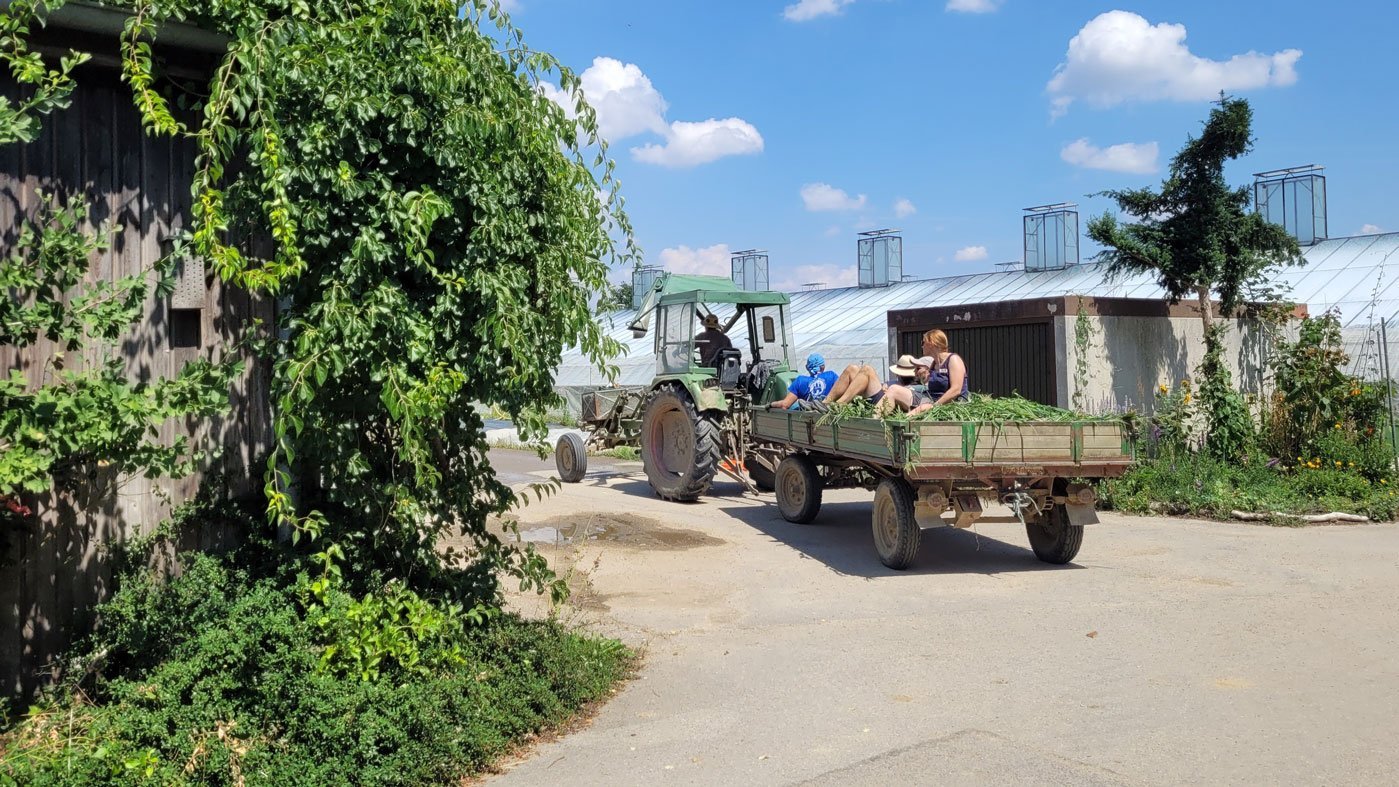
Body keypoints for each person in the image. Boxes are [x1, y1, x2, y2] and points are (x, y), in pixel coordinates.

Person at [910, 329, 969, 415]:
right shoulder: (934, 363)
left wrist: (933, 407)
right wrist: (923, 376)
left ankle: (895, 424)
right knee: (894, 390)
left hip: (953, 405)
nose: (922, 346)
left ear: (931, 343)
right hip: (932, 400)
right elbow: (928, 382)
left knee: (920, 409)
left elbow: (956, 390)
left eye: (923, 343)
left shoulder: (953, 359)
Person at [822, 355, 920, 406]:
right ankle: (826, 402)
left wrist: (890, 390)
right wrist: (884, 385)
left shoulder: (918, 387)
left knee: (867, 370)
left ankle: (840, 404)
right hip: (877, 397)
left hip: (884, 404)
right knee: (852, 369)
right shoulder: (895, 381)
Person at [767, 353, 839, 410]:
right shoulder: (831, 376)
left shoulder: (800, 381)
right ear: (823, 366)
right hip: (829, 413)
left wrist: (771, 404)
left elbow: (785, 405)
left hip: (809, 416)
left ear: (807, 368)